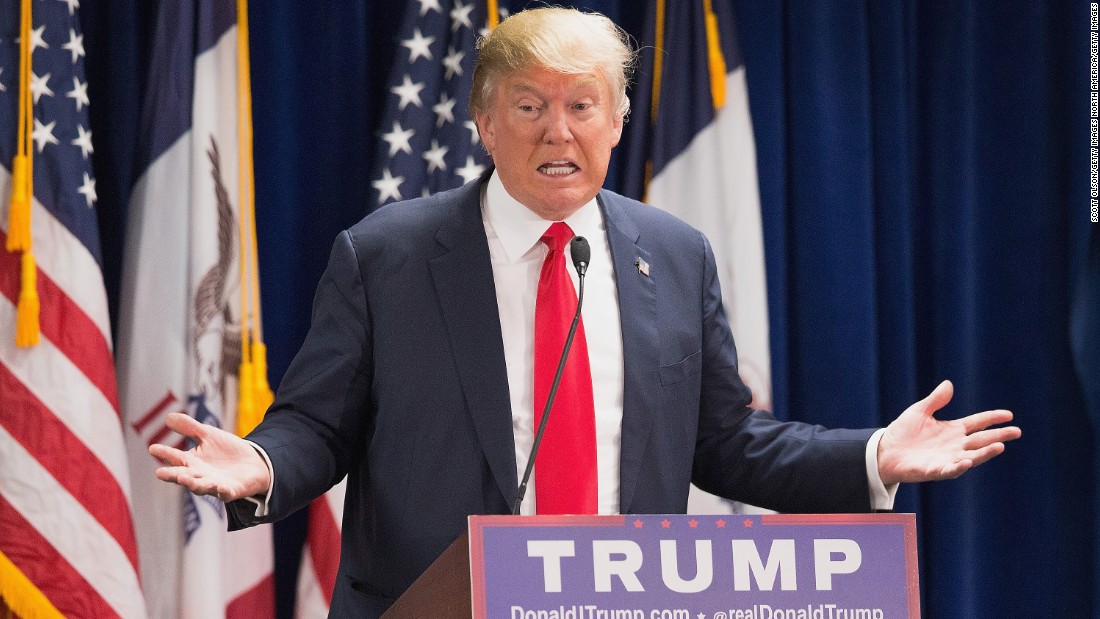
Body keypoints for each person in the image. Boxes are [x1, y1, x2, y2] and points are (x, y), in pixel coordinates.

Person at [150, 7, 1021, 617]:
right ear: (485, 124)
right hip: (433, 606)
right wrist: (262, 464)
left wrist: (875, 456)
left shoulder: (675, 256)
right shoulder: (388, 254)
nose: (556, 132)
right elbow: (319, 425)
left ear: (616, 122)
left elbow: (727, 443)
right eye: (528, 106)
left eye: (580, 106)